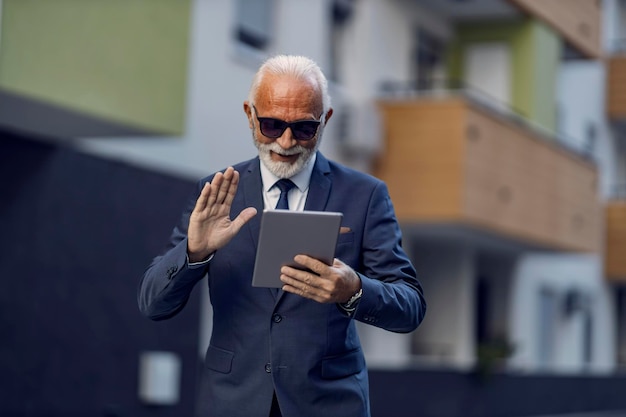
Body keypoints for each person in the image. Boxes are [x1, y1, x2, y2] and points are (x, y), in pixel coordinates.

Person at [138, 55, 426, 417]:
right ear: (249, 115)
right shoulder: (216, 193)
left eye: (305, 128)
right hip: (233, 402)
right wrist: (195, 252)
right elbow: (152, 304)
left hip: (329, 405)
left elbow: (411, 307)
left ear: (326, 121)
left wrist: (353, 290)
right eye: (272, 125)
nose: (287, 141)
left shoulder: (365, 195)